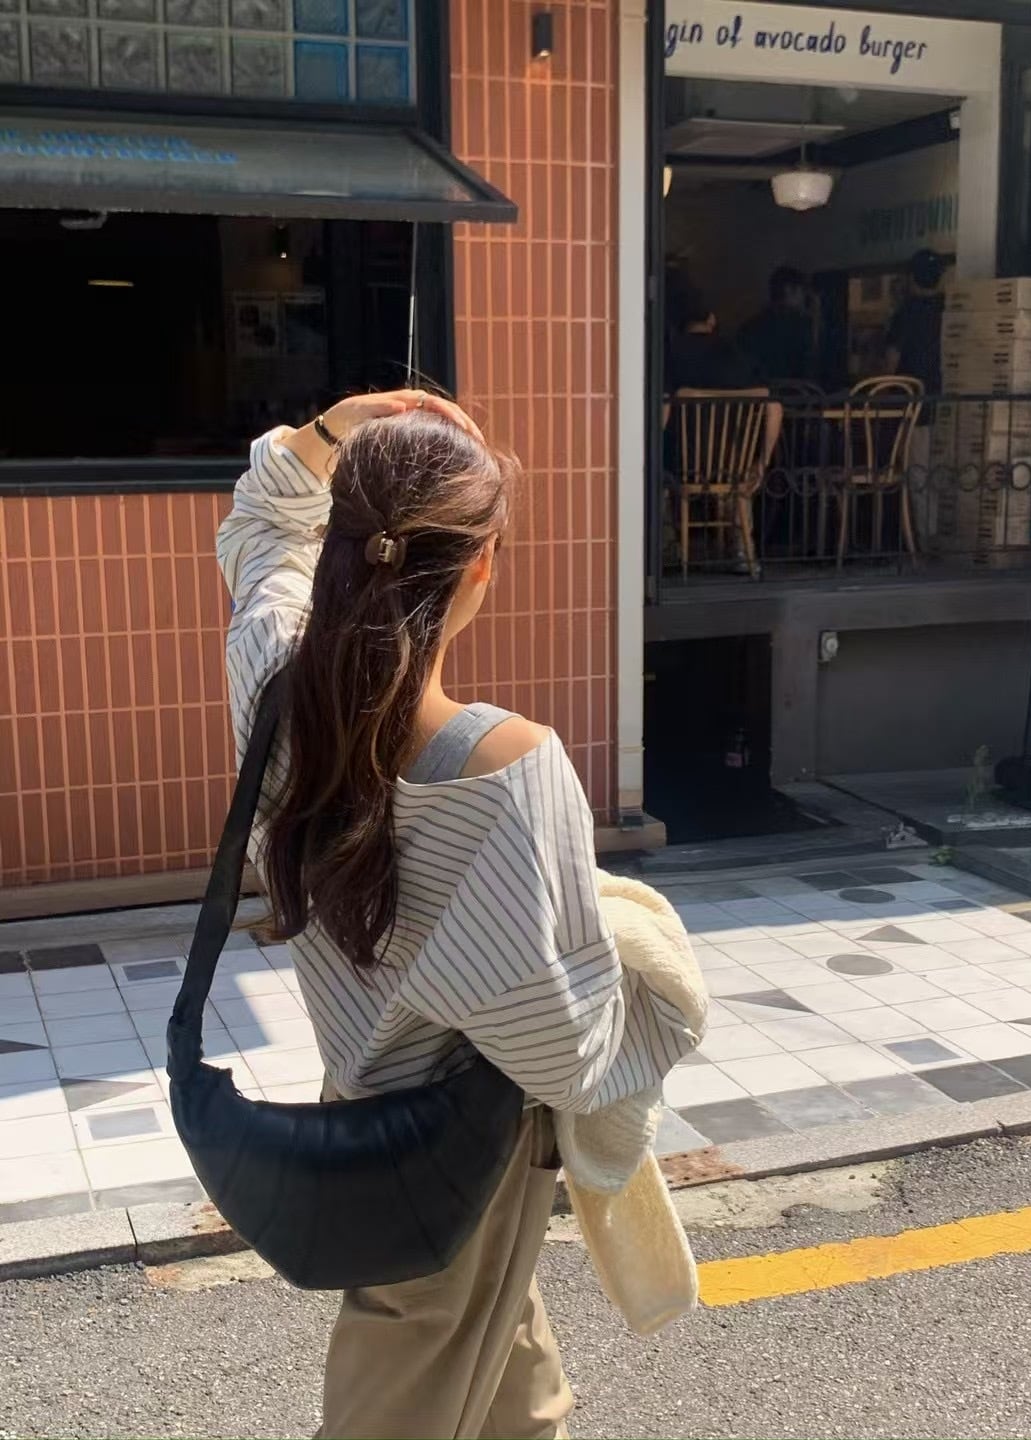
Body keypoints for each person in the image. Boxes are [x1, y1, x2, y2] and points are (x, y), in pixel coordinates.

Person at [217, 390, 698, 1440]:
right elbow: (563, 1051)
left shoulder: (270, 684)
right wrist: (625, 939)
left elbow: (260, 529)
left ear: (342, 550)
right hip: (463, 1146)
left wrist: (331, 429)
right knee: (398, 1397)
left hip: (361, 1096)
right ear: (481, 566)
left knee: (518, 1396)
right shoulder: (511, 766)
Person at [737, 266, 816, 384]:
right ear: (789, 290)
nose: (804, 298)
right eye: (802, 291)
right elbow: (808, 370)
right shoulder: (802, 326)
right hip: (794, 392)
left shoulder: (750, 326)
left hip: (758, 392)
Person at [884, 248, 946, 394]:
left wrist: (883, 392)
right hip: (944, 393)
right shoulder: (951, 309)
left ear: (911, 277)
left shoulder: (904, 313)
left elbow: (892, 360)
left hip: (909, 396)